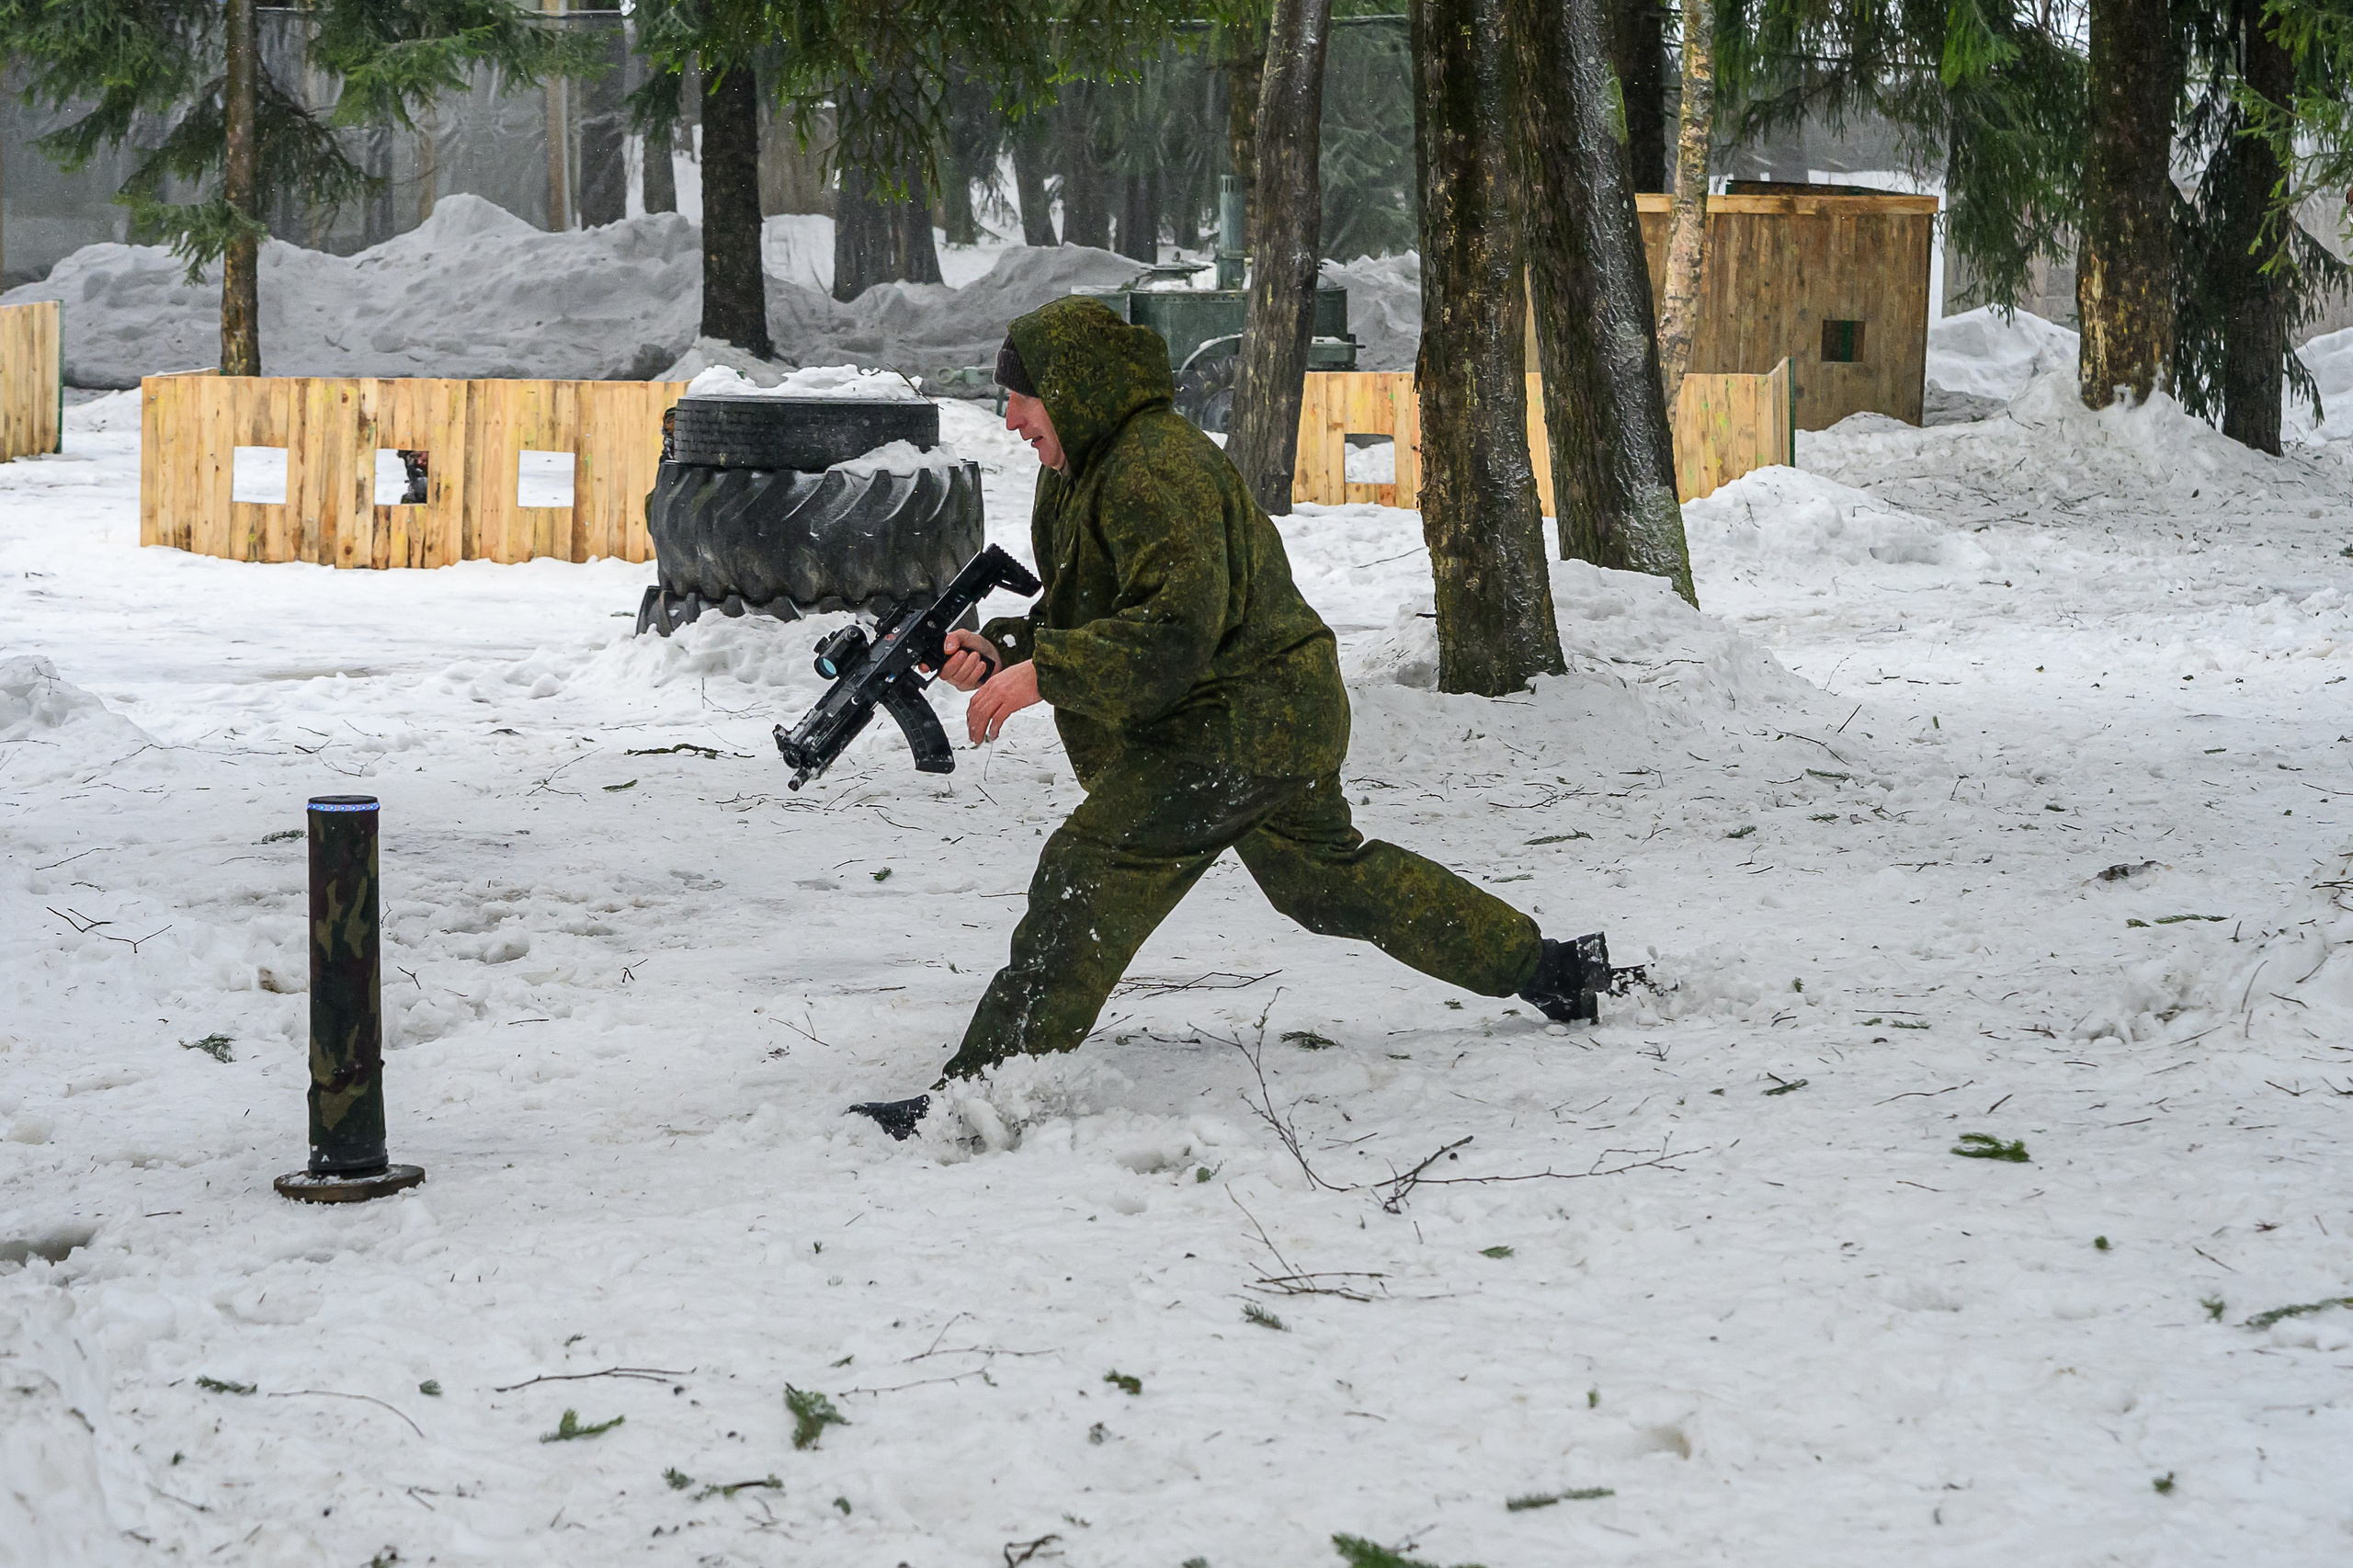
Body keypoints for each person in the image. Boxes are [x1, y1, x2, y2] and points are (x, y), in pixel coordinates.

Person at [849, 296, 1617, 1139]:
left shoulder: (1155, 467)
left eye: (1022, 400)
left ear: (1071, 390)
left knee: (1090, 869)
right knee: (1328, 884)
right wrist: (1003, 651)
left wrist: (1046, 674)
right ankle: (1550, 968)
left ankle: (977, 1098)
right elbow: (1099, 608)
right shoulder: (1079, 469)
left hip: (1244, 718)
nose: (1010, 419)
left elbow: (1176, 632)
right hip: (1259, 710)